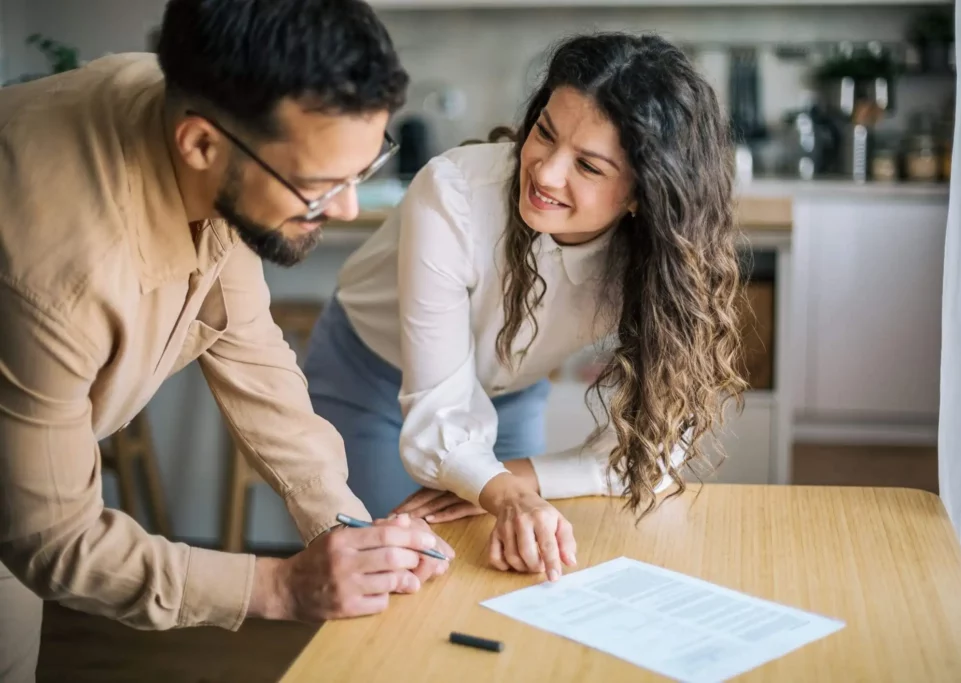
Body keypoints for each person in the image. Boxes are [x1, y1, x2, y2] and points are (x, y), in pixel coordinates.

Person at [0, 1, 453, 680]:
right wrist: (281, 586)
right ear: (201, 144)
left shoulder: (206, 125)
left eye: (361, 170)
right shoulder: (54, 278)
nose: (348, 209)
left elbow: (251, 347)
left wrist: (343, 526)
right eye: (319, 185)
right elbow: (53, 537)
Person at [303, 32, 747, 585]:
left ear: (642, 194)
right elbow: (438, 414)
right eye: (544, 133)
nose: (545, 173)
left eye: (588, 166)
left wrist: (509, 480)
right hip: (367, 380)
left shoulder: (663, 255)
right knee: (389, 580)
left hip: (509, 398)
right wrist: (496, 485)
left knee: (512, 575)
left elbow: (653, 451)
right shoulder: (454, 193)